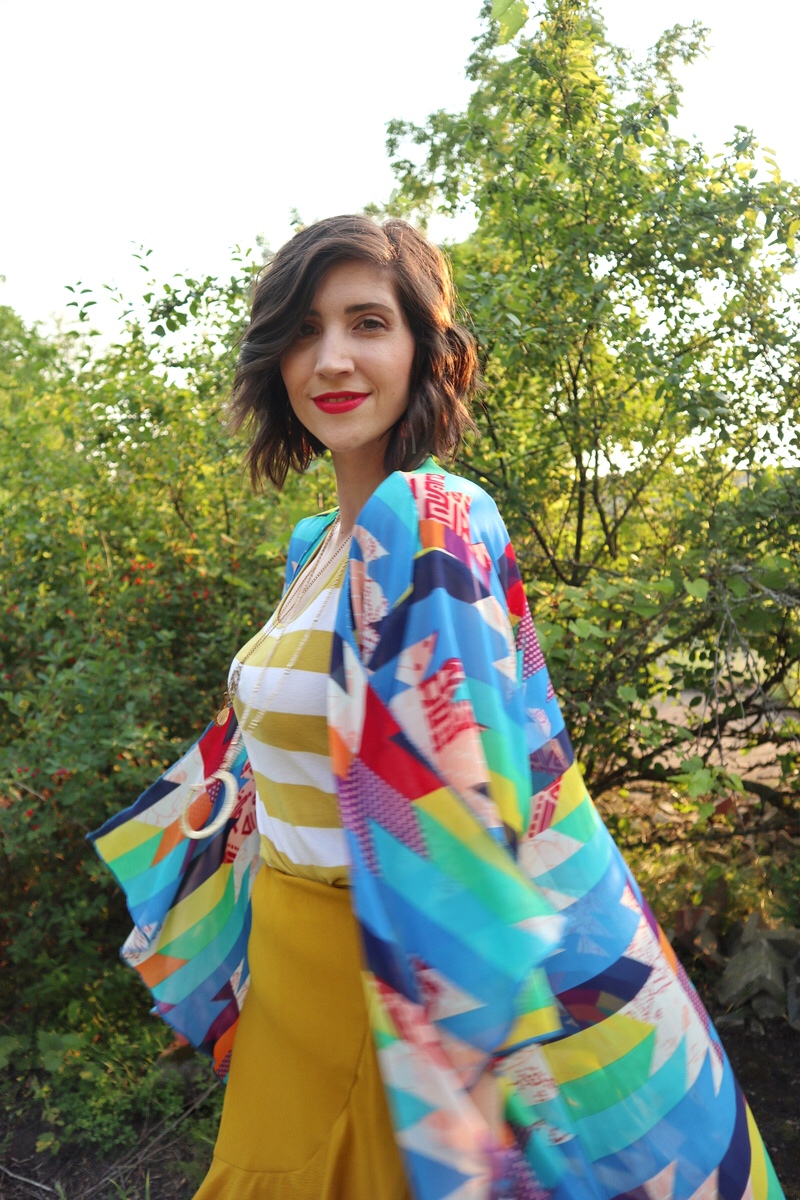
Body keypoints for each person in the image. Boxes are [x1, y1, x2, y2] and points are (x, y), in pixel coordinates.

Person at [92, 216, 784, 1200]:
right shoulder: (315, 547)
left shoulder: (428, 518)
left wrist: (455, 1033)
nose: (329, 358)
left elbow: (465, 790)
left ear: (427, 353)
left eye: (366, 323)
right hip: (289, 969)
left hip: (382, 974)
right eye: (302, 329)